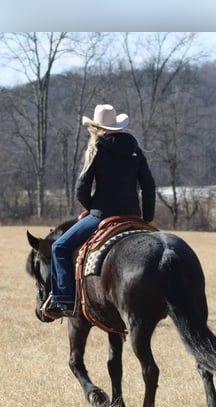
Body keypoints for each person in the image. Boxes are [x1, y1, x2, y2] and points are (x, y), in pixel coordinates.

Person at [42, 103, 156, 320]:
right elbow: (149, 186)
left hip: (102, 215)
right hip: (133, 215)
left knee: (59, 247)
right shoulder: (135, 149)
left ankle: (63, 300)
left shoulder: (96, 148)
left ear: (97, 127)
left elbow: (81, 188)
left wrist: (92, 208)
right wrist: (147, 218)